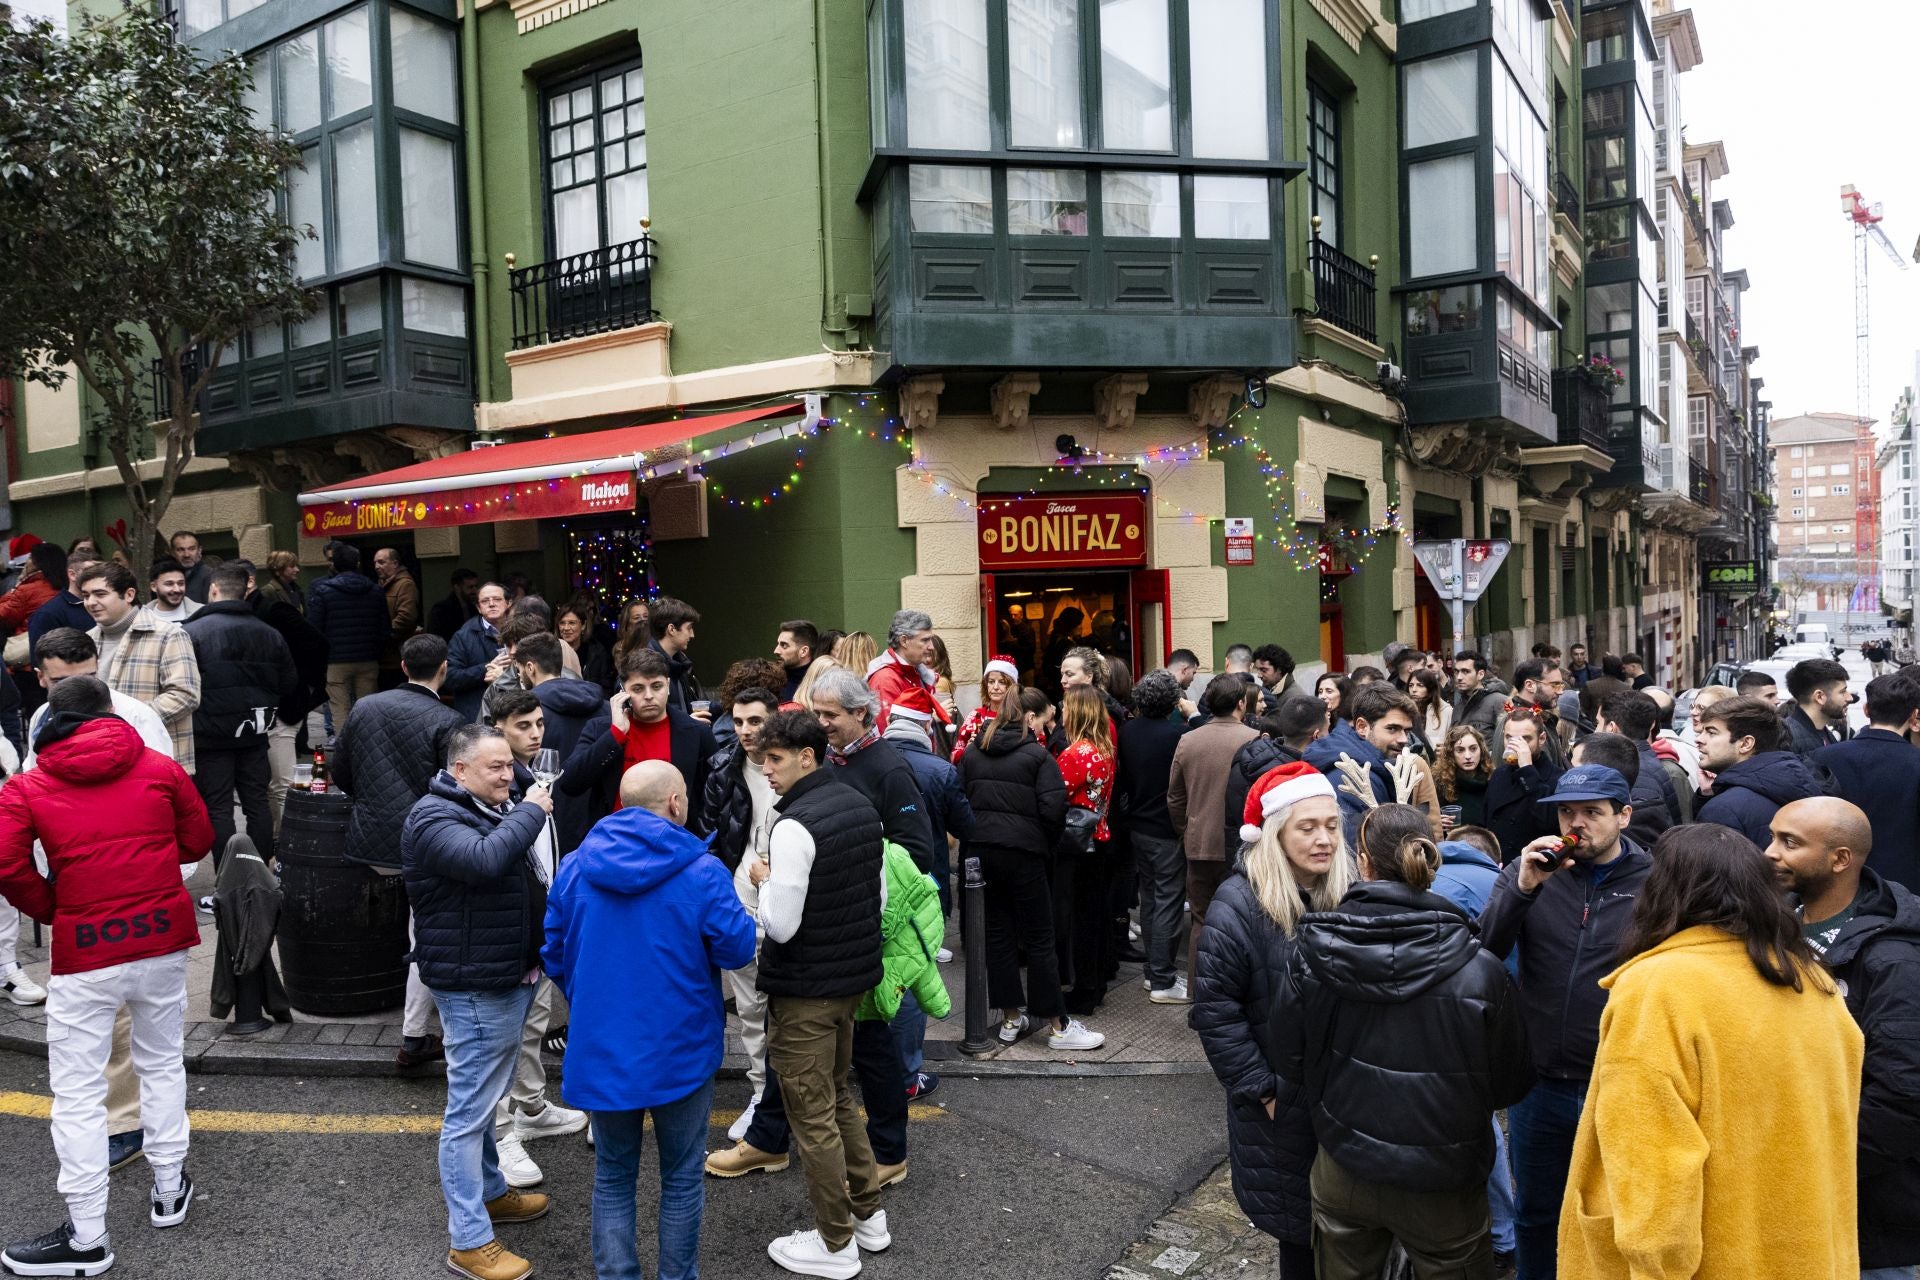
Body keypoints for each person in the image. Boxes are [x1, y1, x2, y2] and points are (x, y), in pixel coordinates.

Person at [1560, 824, 1862, 1280]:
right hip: (1808, 1252)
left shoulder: (1658, 988)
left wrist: (1654, 1268)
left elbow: (1653, 1168)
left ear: (1663, 889)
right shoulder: (1814, 984)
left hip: (1714, 1263)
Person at [0, 676, 214, 1277]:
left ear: (49, 720)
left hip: (85, 951)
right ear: (110, 713)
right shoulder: (156, 766)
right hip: (163, 938)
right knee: (161, 1063)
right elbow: (198, 838)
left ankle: (88, 1236)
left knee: (77, 1093)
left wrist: (54, 907)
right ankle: (169, 1190)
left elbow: (7, 864)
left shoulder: (28, 785)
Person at [1271, 803, 1533, 1279]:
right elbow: (1509, 1084)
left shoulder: (1312, 954)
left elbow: (1289, 1059)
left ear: (1363, 861)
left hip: (1345, 1160)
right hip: (1443, 1177)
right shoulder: (1480, 970)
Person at [543, 760, 753, 1280]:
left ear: (622, 803)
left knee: (613, 1175)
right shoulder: (702, 871)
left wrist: (590, 995)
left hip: (602, 1045)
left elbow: (553, 951)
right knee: (681, 1177)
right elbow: (736, 948)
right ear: (676, 804)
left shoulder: (575, 865)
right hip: (681, 1046)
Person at [1477, 762, 1650, 1280]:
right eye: (1568, 812)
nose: (1578, 823)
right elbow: (1483, 954)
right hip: (1541, 1082)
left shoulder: (1656, 881)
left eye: (1593, 812)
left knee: (1617, 1217)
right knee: (1536, 1214)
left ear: (1623, 816)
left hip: (1616, 1081)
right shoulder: (1533, 873)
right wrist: (1523, 886)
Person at [739, 710, 893, 1278]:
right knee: (838, 1100)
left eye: (775, 759)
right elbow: (875, 898)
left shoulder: (793, 825)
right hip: (850, 980)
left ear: (808, 756)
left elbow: (780, 926)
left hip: (805, 991)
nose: (767, 770)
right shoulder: (858, 804)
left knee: (814, 1119)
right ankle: (869, 1220)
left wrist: (761, 880)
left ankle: (835, 1246)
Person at [402, 724, 556, 1280]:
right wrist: (532, 811)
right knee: (467, 1114)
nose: (508, 775)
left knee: (487, 1100)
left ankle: (491, 1193)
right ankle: (468, 1240)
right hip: (473, 986)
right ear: (460, 769)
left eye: (509, 766)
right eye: (495, 767)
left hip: (502, 975)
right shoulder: (432, 816)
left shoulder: (489, 804)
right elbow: (485, 860)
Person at [1192, 761, 1354, 1280]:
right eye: (1307, 827)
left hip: (1347, 1100)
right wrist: (1262, 1090)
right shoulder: (1238, 904)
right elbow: (1215, 1011)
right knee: (1301, 1235)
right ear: (1276, 833)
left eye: (1331, 825)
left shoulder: (1349, 893)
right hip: (1282, 1105)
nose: (1324, 839)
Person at [1764, 797, 1920, 1278]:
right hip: (1794, 1208)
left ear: (1840, 859)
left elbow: (1903, 1097)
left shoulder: (1893, 960)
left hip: (1872, 1225)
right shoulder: (1775, 923)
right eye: (1772, 836)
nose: (1770, 852)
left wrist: (1813, 1165)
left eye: (1790, 843)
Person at [333, 634, 471, 1070]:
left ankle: (417, 1034)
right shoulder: (448, 719)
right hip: (426, 841)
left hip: (373, 837)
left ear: (404, 666)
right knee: (428, 935)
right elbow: (454, 792)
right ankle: (418, 1036)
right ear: (444, 668)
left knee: (420, 930)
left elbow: (341, 769)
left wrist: (370, 804)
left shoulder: (365, 706)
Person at [957, 686, 1102, 1053]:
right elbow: (1053, 810)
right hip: (1025, 853)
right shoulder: (1037, 756)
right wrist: (1044, 843)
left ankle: (1010, 1017)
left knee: (998, 934)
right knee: (1039, 937)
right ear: (1026, 718)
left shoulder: (973, 753)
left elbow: (960, 800)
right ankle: (1057, 1024)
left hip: (982, 851)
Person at [701, 685, 782, 1137]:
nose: (746, 730)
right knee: (750, 1003)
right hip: (742, 897)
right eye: (738, 721)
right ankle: (760, 1092)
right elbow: (710, 837)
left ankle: (794, 1092)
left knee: (789, 1005)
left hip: (792, 895)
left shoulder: (800, 763)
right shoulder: (721, 768)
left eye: (755, 720)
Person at [180, 564, 300, 867]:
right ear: (245, 590)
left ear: (213, 590)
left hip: (209, 735)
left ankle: (227, 877)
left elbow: (184, 687)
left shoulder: (191, 633)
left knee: (218, 808)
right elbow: (288, 682)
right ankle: (261, 871)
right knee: (256, 803)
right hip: (255, 732)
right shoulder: (270, 633)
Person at [1169, 675, 1262, 988]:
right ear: (1240, 704)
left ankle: (1199, 992)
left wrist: (1188, 828)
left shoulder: (1189, 739)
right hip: (1243, 845)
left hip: (1200, 843)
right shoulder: (1255, 738)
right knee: (1245, 920)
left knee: (1201, 919)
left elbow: (1175, 797)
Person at [563, 647, 718, 823]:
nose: (649, 696)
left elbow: (718, 794)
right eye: (638, 689)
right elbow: (570, 783)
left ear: (668, 686)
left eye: (656, 686)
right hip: (616, 840)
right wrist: (615, 735)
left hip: (675, 842)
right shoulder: (601, 729)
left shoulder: (697, 732)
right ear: (623, 691)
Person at [809, 667, 935, 875]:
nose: (821, 722)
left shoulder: (891, 770)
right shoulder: (827, 755)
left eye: (830, 714)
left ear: (860, 711)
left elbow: (917, 852)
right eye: (817, 713)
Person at [79, 561, 201, 774]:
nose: (91, 602)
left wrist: (126, 721)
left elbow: (185, 695)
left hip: (156, 759)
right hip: (103, 758)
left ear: (128, 595)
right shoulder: (87, 639)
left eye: (100, 594)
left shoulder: (168, 635)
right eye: (86, 595)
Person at [1116, 671, 1188, 1002]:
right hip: (1166, 829)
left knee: (1150, 899)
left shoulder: (1127, 731)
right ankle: (1161, 978)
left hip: (1137, 826)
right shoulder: (1178, 734)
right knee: (1169, 902)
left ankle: (1153, 971)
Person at [1815, 672, 1920, 893]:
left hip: (1836, 878)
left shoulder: (1821, 758)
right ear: (1914, 716)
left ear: (1866, 710)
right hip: (1903, 883)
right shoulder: (1915, 762)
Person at [513, 631, 612, 857]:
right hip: (603, 821)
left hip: (549, 821)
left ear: (530, 667)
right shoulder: (607, 708)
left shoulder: (525, 715)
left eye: (518, 669)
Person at [1054, 685, 1117, 1016]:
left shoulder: (1075, 754)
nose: (1061, 711)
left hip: (1078, 845)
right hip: (1100, 839)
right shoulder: (1103, 748)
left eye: (1065, 706)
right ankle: (1095, 984)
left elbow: (1055, 796)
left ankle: (1083, 991)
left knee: (1077, 920)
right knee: (1094, 917)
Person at [1695, 695, 1824, 852]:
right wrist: (1709, 794)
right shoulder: (1796, 778)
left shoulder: (1722, 810)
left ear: (1745, 744)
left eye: (1711, 732)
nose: (1699, 739)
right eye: (1702, 731)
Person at [1303, 683, 1419, 845]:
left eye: (1406, 731)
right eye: (1392, 729)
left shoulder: (1372, 768)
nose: (1403, 740)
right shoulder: (1349, 778)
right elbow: (1357, 852)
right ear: (1362, 727)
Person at [306, 544, 389, 731]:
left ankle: (345, 752)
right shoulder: (375, 591)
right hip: (367, 658)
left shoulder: (323, 591)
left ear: (333, 565)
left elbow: (314, 629)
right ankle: (367, 747)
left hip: (335, 661)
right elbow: (384, 627)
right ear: (358, 563)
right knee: (368, 708)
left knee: (339, 710)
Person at [1483, 708, 1563, 865]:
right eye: (1509, 738)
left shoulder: (1558, 778)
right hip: (1497, 866)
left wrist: (1527, 768)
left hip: (1534, 867)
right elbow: (1485, 821)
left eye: (1525, 739)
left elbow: (1549, 820)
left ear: (1541, 739)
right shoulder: (1499, 774)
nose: (1516, 744)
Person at [864, 609, 948, 739]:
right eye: (925, 640)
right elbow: (893, 738)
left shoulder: (915, 672)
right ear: (904, 641)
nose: (931, 647)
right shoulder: (885, 680)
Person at [445, 581, 513, 723]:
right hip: (478, 716)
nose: (491, 604)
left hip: (515, 712)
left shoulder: (520, 632)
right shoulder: (463, 637)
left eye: (497, 599)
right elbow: (450, 678)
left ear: (509, 603)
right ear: (478, 607)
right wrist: (486, 668)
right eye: (485, 601)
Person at [27, 545, 98, 658]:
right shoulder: (49, 613)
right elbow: (41, 660)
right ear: (72, 574)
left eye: (100, 573)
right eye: (90, 572)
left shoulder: (103, 605)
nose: (98, 577)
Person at [951, 655, 1018, 760]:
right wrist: (968, 750)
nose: (995, 687)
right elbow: (954, 756)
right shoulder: (975, 716)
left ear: (1012, 686)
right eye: (991, 682)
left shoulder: (1020, 717)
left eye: (1002, 682)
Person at [1784, 657, 1854, 757]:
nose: (1850, 698)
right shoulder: (1789, 740)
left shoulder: (1821, 732)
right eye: (1842, 692)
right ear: (1819, 697)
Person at [647, 596, 704, 718]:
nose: (692, 635)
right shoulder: (644, 667)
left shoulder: (680, 664)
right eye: (689, 628)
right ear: (672, 629)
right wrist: (689, 723)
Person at [1433, 724, 1493, 831]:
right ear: (1451, 753)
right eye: (1460, 750)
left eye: (1473, 749)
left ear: (1481, 750)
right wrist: (1436, 822)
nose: (1468, 756)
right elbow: (1427, 817)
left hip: (1485, 843)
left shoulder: (1493, 779)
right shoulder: (1441, 782)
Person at [0, 541, 63, 637]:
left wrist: (17, 585)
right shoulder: (67, 584)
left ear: (38, 563)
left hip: (29, 641)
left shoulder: (26, 590)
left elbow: (4, 616)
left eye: (29, 557)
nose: (26, 562)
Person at [556, 602, 614, 696]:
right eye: (562, 623)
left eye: (572, 623)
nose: (566, 628)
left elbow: (605, 688)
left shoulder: (597, 652)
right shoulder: (551, 651)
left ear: (583, 625)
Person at [374, 547, 421, 651]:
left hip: (398, 648)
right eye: (375, 563)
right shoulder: (380, 586)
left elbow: (406, 617)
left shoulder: (405, 584)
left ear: (395, 564)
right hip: (386, 650)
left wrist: (382, 632)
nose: (376, 566)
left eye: (381, 562)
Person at [1452, 651, 1503, 737]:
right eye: (1457, 672)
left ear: (1480, 674)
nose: (1459, 677)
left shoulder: (1500, 702)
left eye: (1465, 672)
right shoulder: (1458, 707)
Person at [774, 620, 820, 703]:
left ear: (803, 651)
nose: (776, 651)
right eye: (778, 644)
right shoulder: (772, 681)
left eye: (784, 645)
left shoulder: (821, 683)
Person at [429, 569, 480, 641]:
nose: (475, 591)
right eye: (470, 587)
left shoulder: (474, 608)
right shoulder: (442, 610)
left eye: (476, 586)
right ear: (457, 588)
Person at [1408, 668, 1451, 748]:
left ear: (1430, 688)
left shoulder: (1446, 711)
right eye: (1411, 685)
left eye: (1420, 685)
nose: (1413, 690)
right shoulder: (1406, 711)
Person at [256, 550, 305, 616]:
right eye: (292, 566)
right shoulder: (268, 592)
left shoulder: (296, 590)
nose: (297, 570)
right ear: (279, 568)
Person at [168, 532, 211, 603]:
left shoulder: (210, 576)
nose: (186, 555)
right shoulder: (165, 577)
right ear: (172, 553)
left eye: (191, 549)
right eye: (180, 550)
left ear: (199, 550)